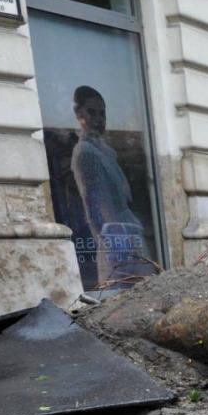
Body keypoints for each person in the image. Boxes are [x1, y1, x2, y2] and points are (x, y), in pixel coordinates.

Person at [70, 85, 153, 287]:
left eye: (102, 113)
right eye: (91, 112)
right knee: (125, 291)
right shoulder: (86, 153)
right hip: (115, 236)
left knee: (146, 289)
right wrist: (115, 244)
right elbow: (96, 205)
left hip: (127, 230)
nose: (99, 119)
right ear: (79, 114)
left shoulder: (106, 152)